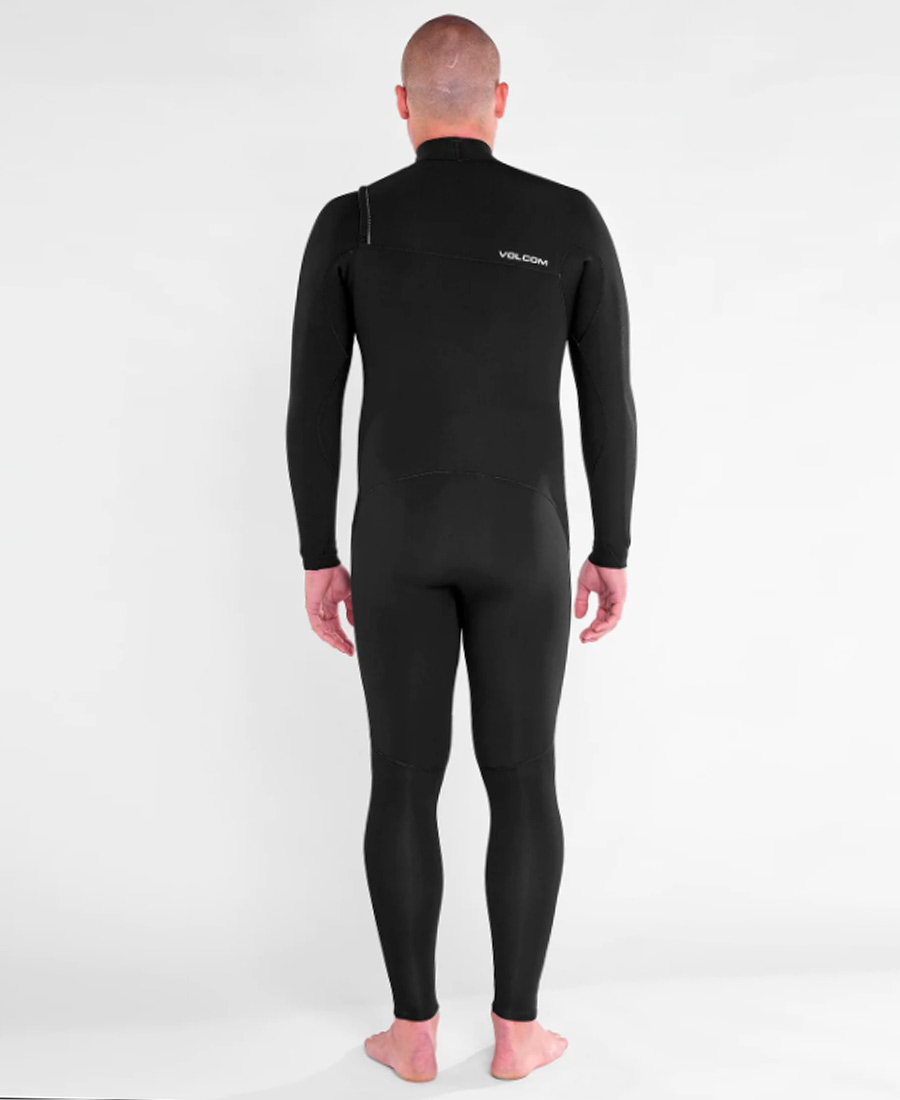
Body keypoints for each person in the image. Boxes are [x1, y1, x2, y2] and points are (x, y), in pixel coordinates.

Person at [286, 13, 637, 1084]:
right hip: (528, 538)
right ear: (500, 100)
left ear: (403, 105)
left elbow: (312, 403)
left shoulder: (350, 222)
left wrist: (317, 552)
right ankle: (519, 1034)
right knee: (523, 776)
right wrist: (612, 544)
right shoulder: (568, 219)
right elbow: (608, 399)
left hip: (395, 538)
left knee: (402, 777)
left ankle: (413, 1035)